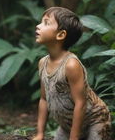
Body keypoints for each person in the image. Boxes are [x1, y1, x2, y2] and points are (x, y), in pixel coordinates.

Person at [32, 7, 111, 140]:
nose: (38, 26)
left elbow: (80, 103)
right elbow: (44, 99)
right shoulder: (42, 63)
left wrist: (74, 138)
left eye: (46, 23)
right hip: (67, 125)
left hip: (95, 120)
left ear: (61, 35)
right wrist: (40, 134)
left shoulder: (71, 65)